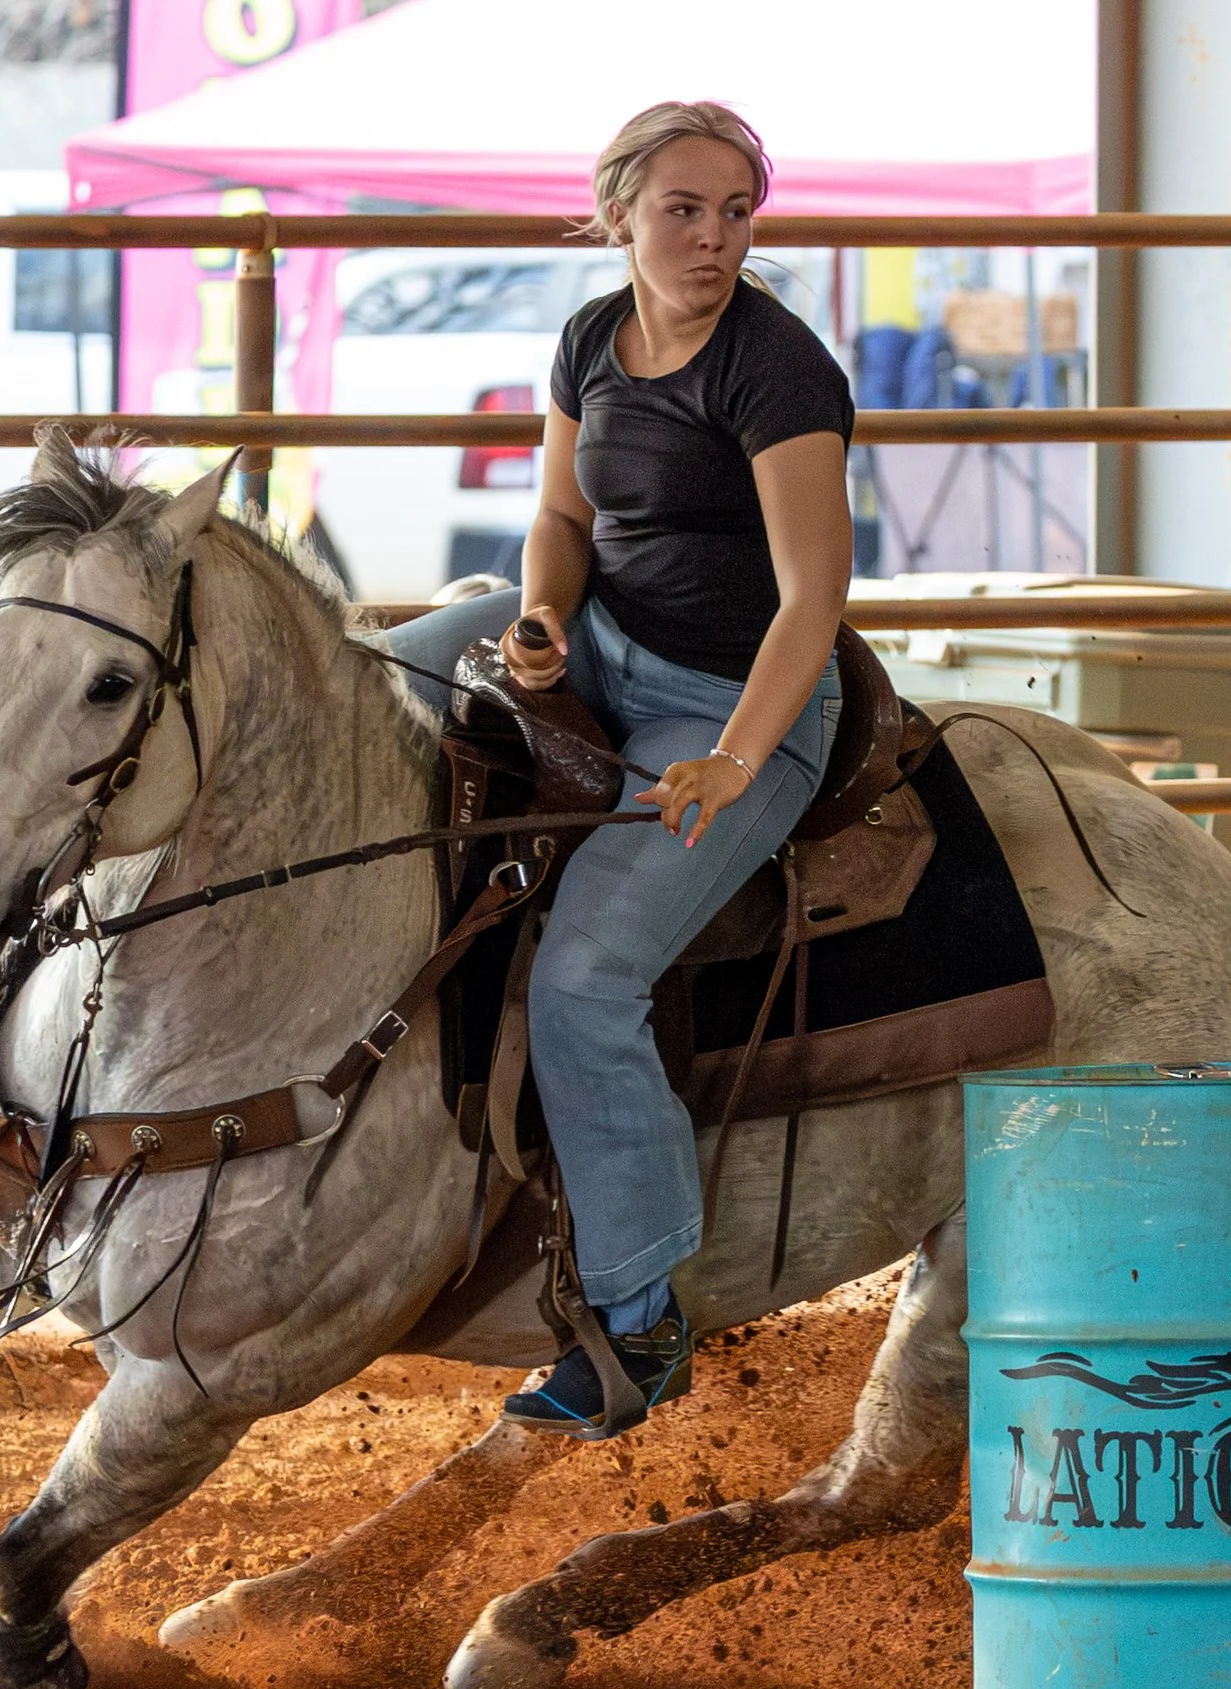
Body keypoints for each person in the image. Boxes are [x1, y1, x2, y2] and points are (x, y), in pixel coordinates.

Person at [382, 101, 853, 1438]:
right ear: (619, 216)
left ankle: (634, 1318)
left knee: (589, 971)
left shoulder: (776, 368)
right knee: (387, 683)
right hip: (602, 637)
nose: (714, 240)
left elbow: (814, 594)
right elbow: (558, 513)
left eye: (737, 214)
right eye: (683, 212)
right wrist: (536, 619)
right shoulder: (592, 336)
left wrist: (731, 757)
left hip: (733, 692)